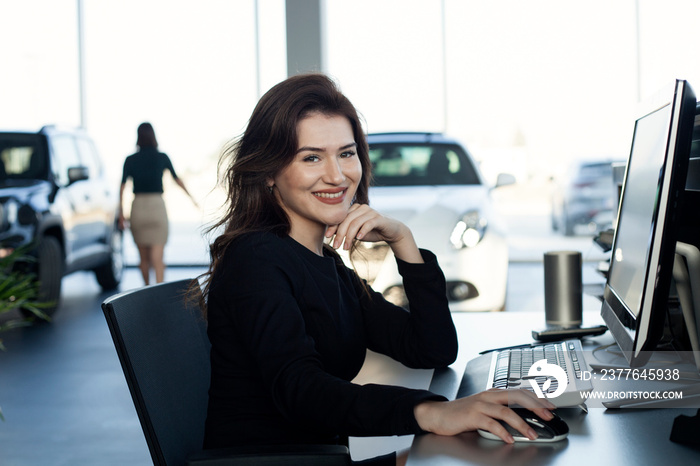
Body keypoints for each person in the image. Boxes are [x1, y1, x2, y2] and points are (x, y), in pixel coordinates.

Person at [197, 74, 555, 465]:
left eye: (346, 154)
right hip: (276, 462)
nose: (337, 176)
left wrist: (403, 241)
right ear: (268, 171)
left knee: (481, 452)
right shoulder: (254, 260)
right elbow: (302, 391)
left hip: (321, 459)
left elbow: (432, 348)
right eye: (311, 157)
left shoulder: (327, 265)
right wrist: (428, 412)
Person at [119, 122, 196, 285]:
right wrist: (192, 199)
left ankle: (146, 289)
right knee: (157, 258)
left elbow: (122, 187)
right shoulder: (162, 157)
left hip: (138, 208)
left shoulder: (130, 160)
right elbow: (177, 179)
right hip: (156, 207)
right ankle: (159, 293)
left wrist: (120, 214)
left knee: (143, 259)